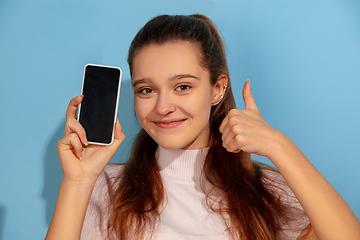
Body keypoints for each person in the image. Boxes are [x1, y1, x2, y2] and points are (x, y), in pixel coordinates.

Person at [45, 14, 360, 240]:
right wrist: (78, 180)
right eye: (146, 90)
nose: (162, 107)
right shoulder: (106, 188)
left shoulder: (265, 192)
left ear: (217, 90)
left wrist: (279, 146)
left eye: (182, 86)